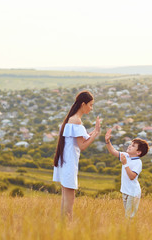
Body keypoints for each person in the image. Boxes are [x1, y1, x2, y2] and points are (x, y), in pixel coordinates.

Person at [52, 90, 101, 219]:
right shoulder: (76, 121)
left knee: (65, 198)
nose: (91, 108)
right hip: (69, 163)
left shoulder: (71, 119)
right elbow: (83, 146)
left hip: (65, 161)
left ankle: (63, 226)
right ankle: (68, 227)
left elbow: (82, 138)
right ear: (83, 104)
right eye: (90, 105)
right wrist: (95, 133)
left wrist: (93, 132)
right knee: (70, 199)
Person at [105, 129, 149, 218]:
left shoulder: (138, 162)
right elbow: (113, 151)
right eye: (130, 144)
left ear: (138, 152)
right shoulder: (126, 155)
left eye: (133, 146)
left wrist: (125, 164)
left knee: (129, 217)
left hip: (133, 192)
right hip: (125, 191)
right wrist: (107, 141)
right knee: (127, 215)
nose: (129, 146)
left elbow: (132, 176)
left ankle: (130, 231)